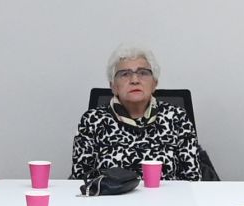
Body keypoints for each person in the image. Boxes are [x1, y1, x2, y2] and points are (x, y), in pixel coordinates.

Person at [72, 45, 212, 181]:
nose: (134, 80)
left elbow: (193, 179)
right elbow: (80, 179)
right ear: (113, 86)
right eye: (125, 74)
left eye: (143, 73)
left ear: (154, 83)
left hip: (166, 197)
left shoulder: (177, 118)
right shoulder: (92, 120)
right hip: (110, 196)